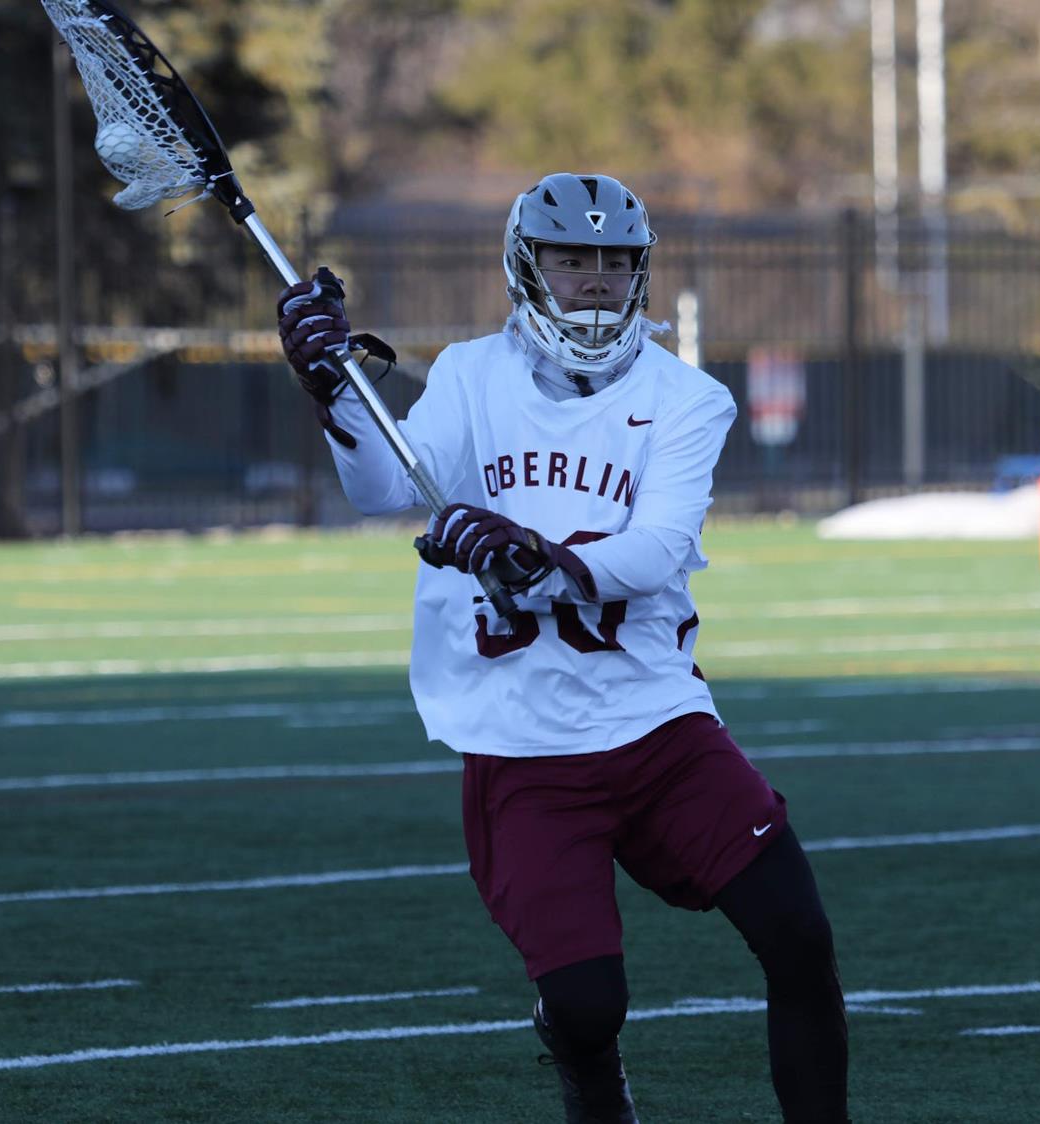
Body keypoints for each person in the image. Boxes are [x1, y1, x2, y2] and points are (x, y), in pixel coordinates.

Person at [276, 173, 851, 1124]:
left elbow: (656, 548)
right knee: (588, 1007)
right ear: (525, 265)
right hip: (524, 741)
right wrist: (335, 390)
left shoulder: (688, 397)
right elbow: (383, 488)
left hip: (656, 722)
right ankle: (587, 1067)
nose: (594, 279)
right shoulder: (470, 376)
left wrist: (539, 561)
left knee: (798, 933)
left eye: (614, 261)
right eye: (571, 258)